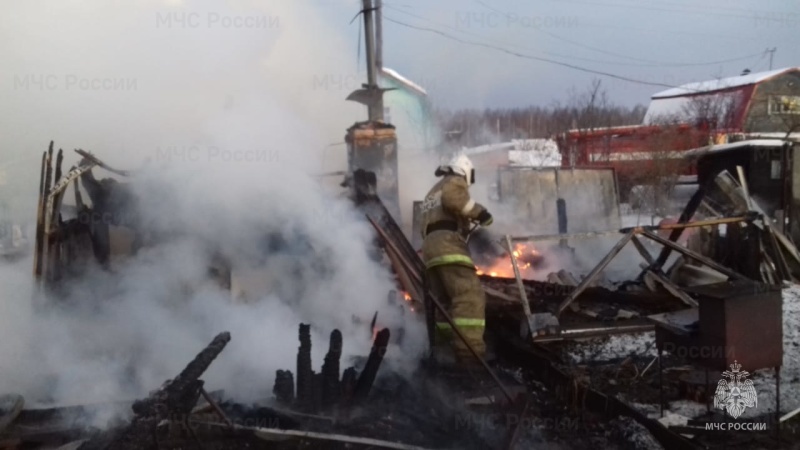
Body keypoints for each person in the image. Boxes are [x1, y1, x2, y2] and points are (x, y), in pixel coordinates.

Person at [419, 154, 493, 367]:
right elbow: (455, 199)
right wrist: (481, 213)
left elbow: (429, 221)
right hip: (448, 245)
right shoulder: (453, 181)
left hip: (431, 249)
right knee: (469, 296)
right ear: (464, 170)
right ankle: (470, 355)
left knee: (444, 302)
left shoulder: (432, 192)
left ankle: (444, 351)